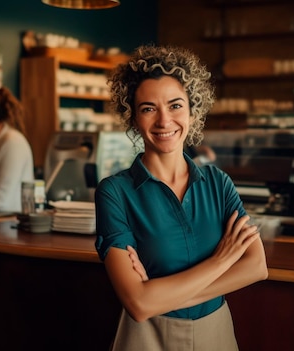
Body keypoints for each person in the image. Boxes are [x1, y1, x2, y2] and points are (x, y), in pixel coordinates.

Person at [95, 45, 268, 350]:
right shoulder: (114, 192)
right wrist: (222, 260)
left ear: (192, 110)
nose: (164, 121)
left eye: (175, 105)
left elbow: (256, 267)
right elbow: (137, 304)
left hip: (216, 333)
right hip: (148, 337)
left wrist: (157, 296)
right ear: (134, 118)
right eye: (148, 108)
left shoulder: (218, 182)